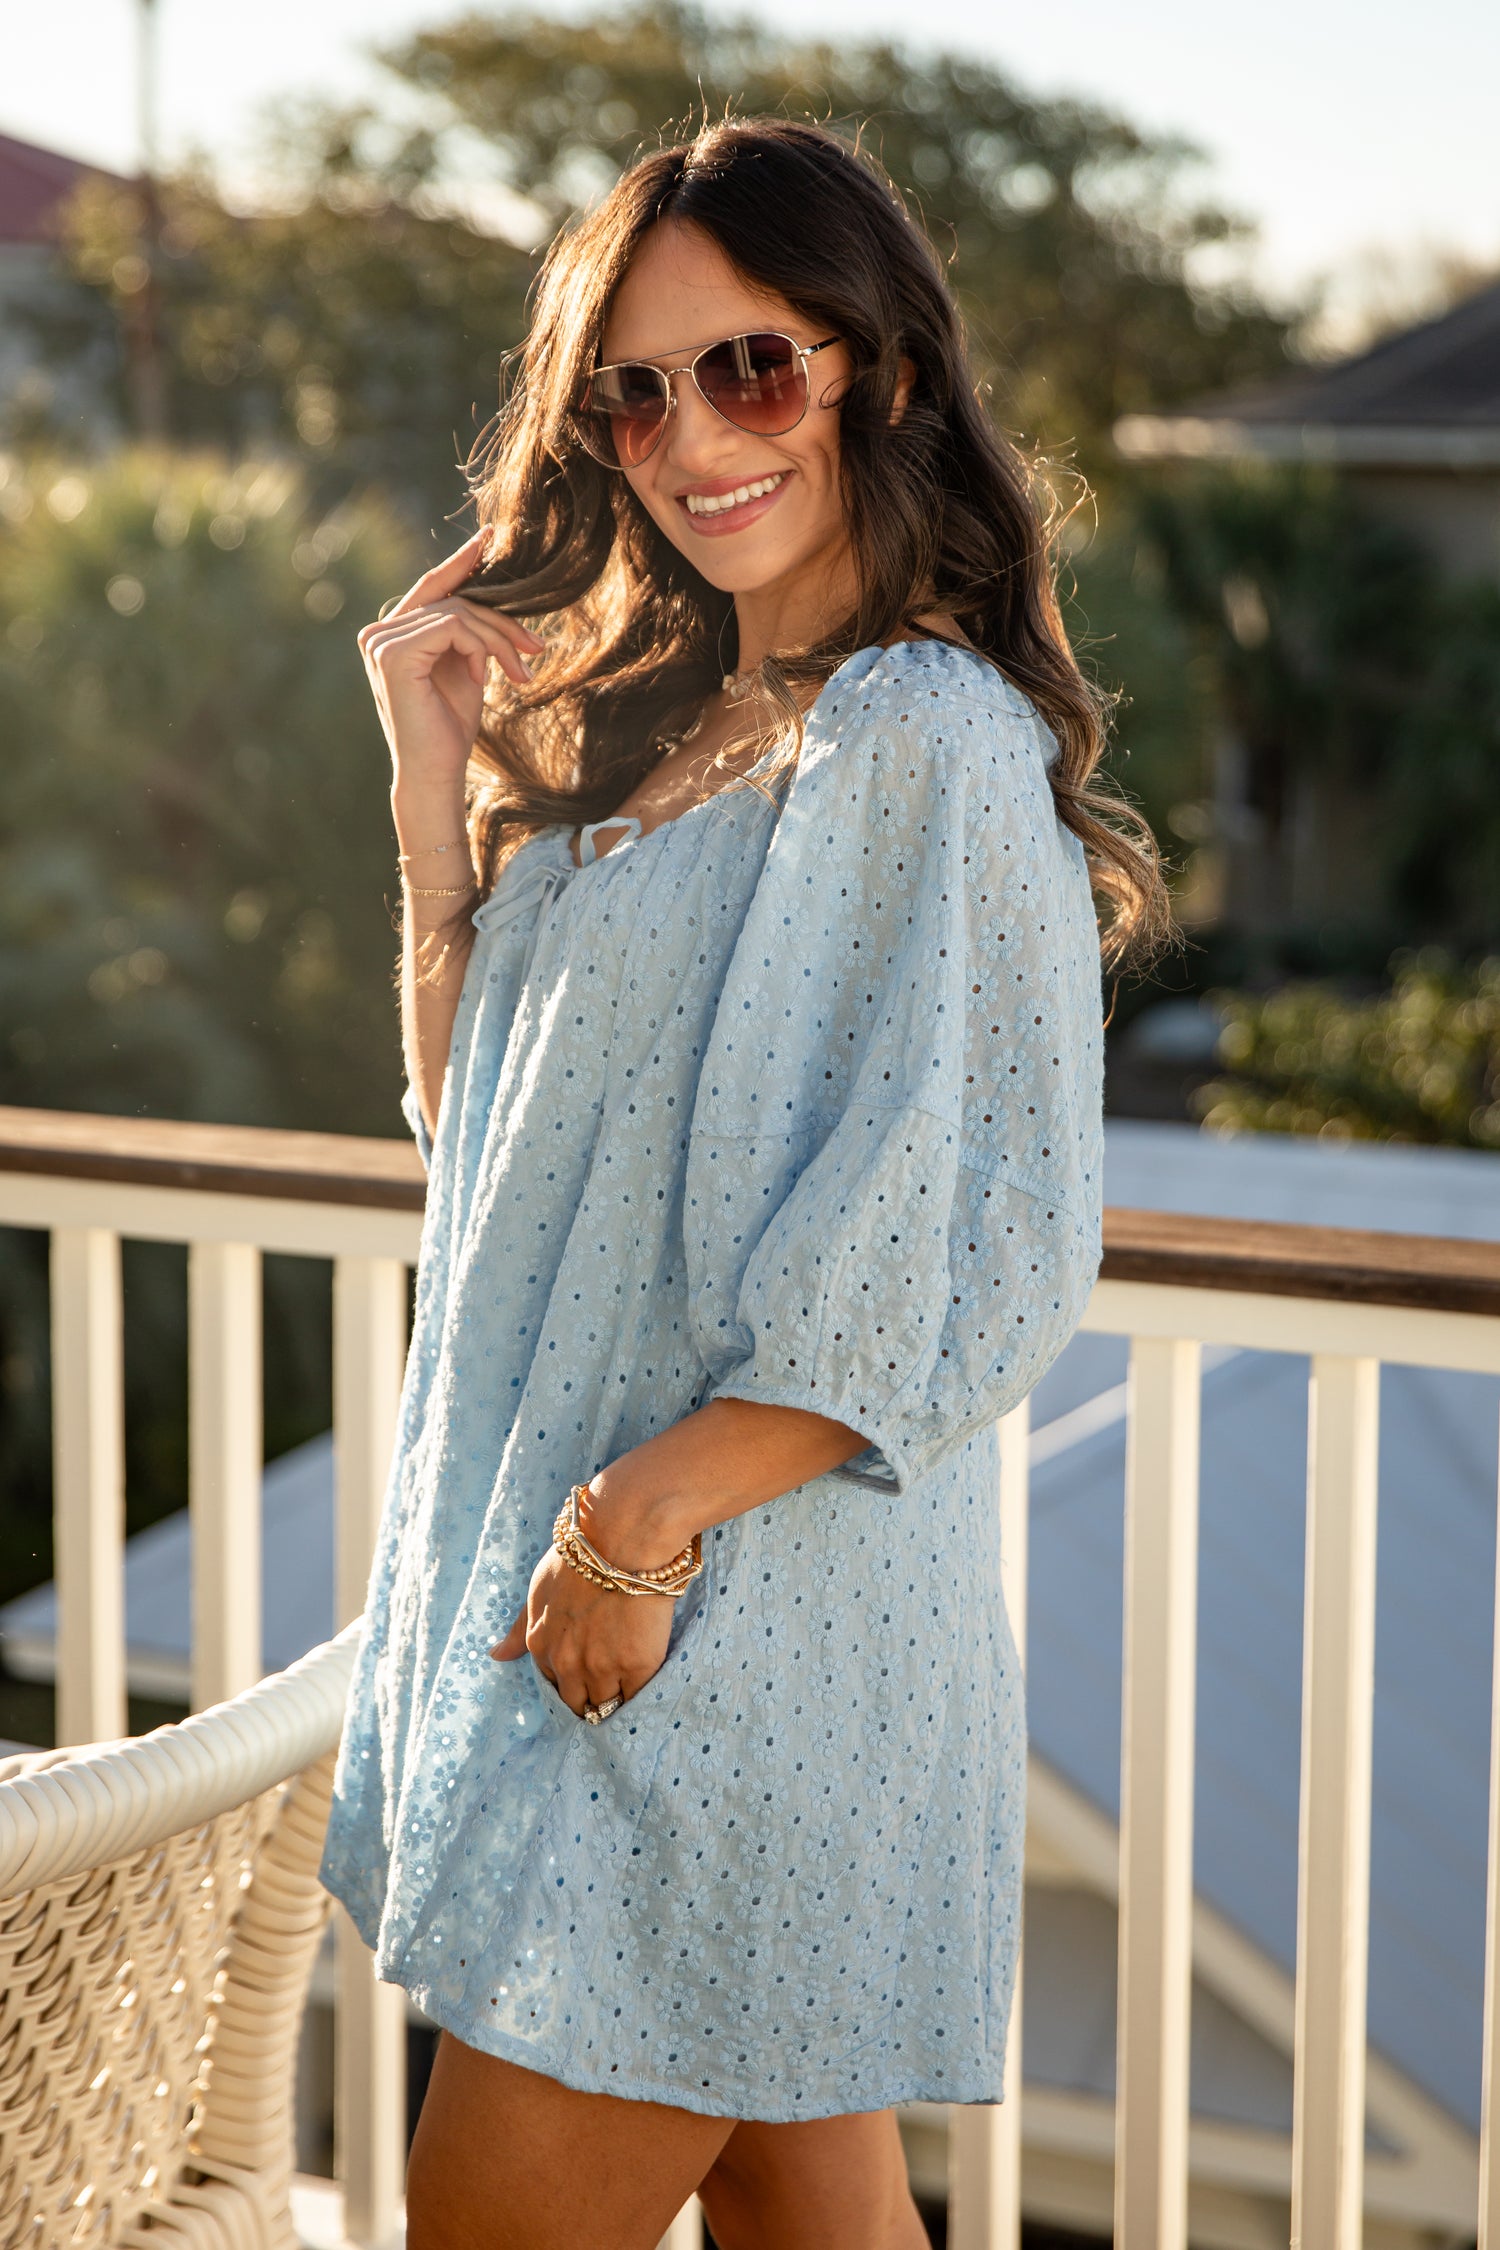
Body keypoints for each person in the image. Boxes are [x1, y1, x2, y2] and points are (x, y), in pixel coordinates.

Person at [318, 115, 1168, 2250]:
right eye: (638, 387)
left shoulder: (922, 738)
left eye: (750, 368)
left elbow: (985, 1251)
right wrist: (439, 805)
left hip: (725, 1639)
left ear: (876, 370)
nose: (693, 435)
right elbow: (484, 1148)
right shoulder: (702, 724)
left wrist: (640, 1513)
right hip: (648, 1629)